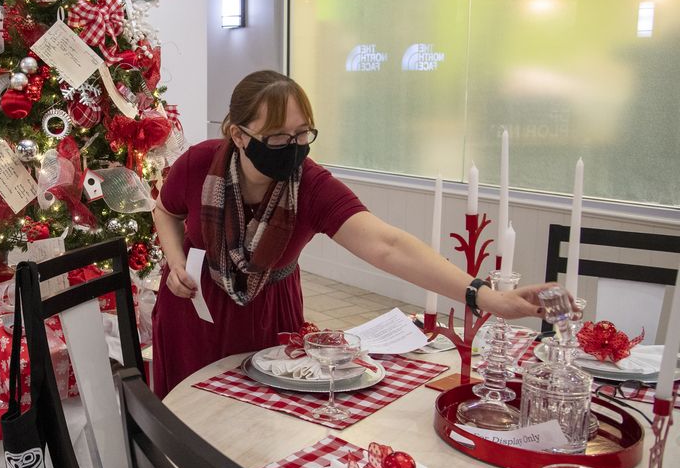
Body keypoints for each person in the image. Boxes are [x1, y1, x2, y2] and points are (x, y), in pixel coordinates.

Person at [150, 70, 550, 397]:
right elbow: (165, 211)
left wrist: (487, 297)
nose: (291, 147)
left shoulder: (308, 185)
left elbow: (387, 245)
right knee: (187, 425)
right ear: (238, 135)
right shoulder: (199, 162)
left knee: (261, 432)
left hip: (267, 318)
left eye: (302, 134)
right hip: (191, 313)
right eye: (276, 137)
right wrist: (176, 261)